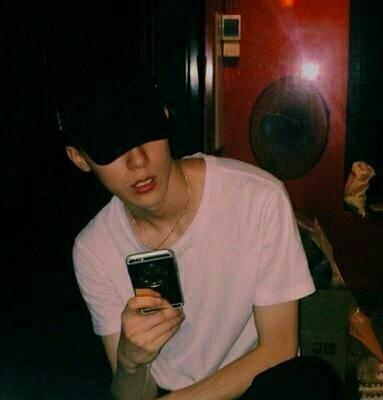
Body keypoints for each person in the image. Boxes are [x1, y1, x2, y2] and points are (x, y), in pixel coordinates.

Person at [56, 65, 344, 399]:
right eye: (111, 147)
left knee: (312, 380)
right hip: (169, 391)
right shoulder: (94, 249)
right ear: (79, 159)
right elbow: (133, 395)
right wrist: (131, 362)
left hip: (255, 386)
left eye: (145, 132)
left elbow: (279, 348)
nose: (138, 161)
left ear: (165, 117)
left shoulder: (258, 198)